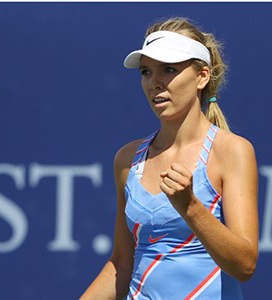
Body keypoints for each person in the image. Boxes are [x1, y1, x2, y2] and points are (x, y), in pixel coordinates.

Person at [80, 16, 259, 299]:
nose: (155, 83)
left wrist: (190, 207)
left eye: (168, 69)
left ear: (202, 76)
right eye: (146, 72)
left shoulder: (232, 150)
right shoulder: (127, 159)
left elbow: (244, 265)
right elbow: (121, 265)